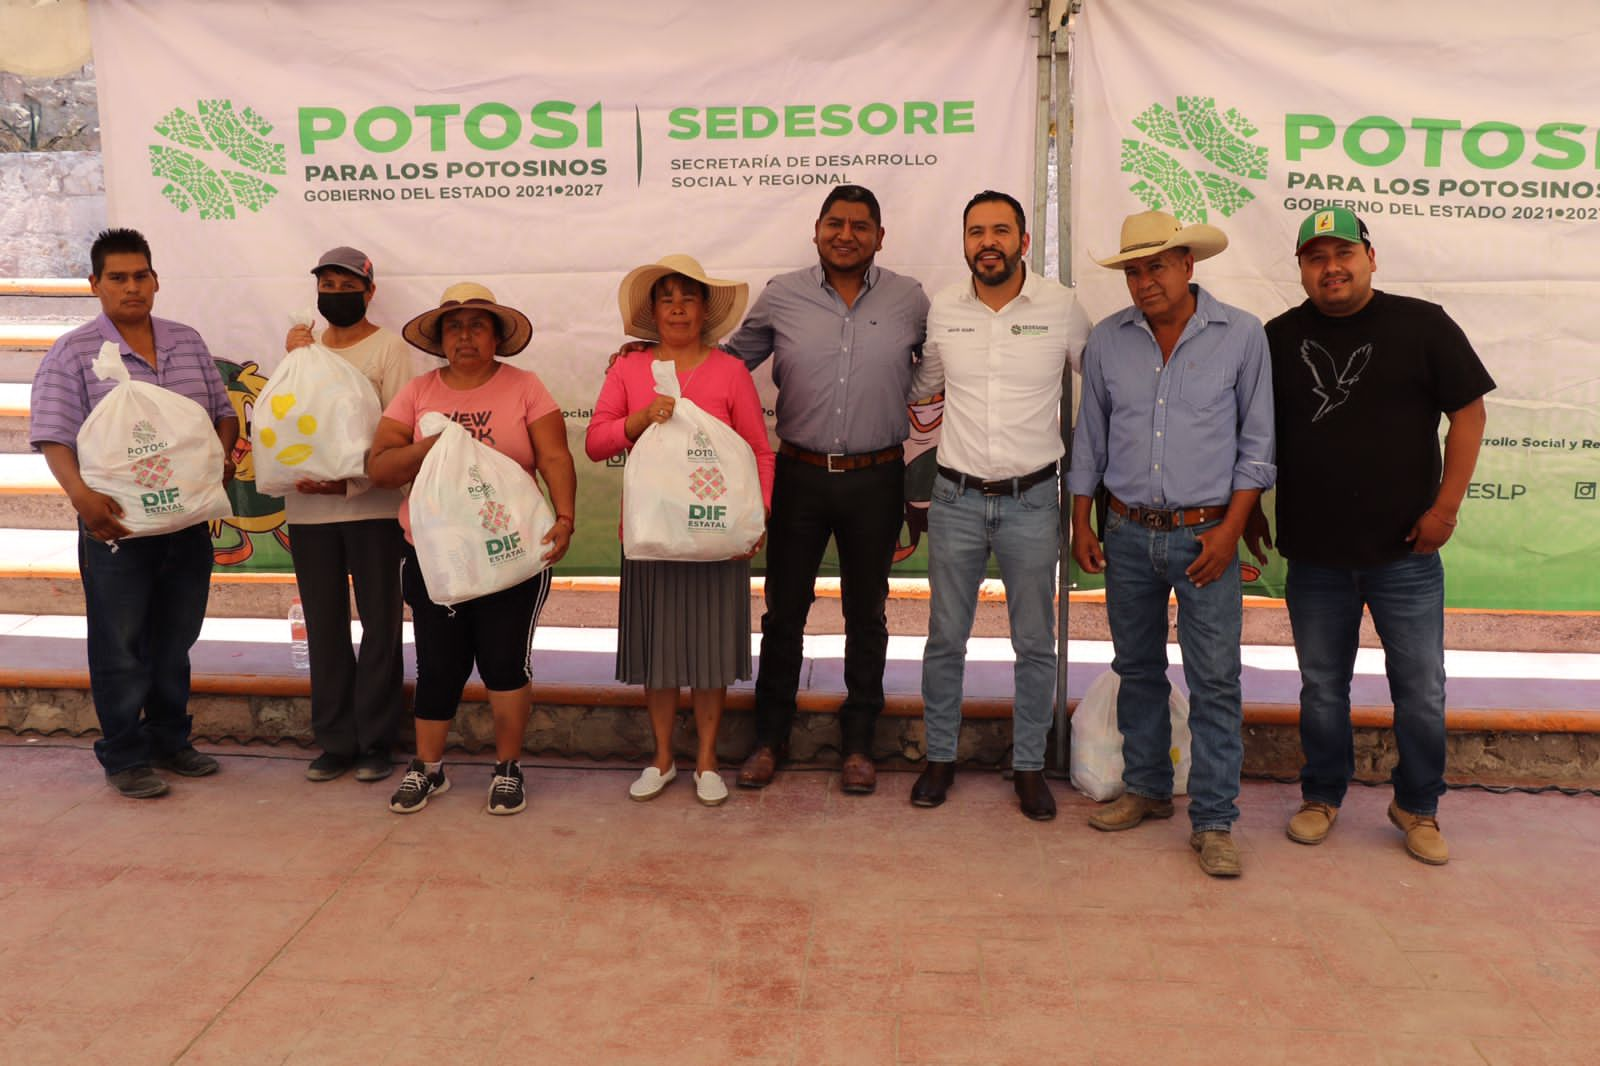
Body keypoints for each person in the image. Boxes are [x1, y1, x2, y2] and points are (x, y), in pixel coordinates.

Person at [1249, 209, 1493, 866]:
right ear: (1301, 269)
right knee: (1322, 687)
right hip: (1316, 557)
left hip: (1405, 553)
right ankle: (1321, 795)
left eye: (1343, 253)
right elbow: (1252, 434)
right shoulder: (1276, 338)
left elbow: (1469, 414)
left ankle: (1418, 806)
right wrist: (1246, 511)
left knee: (1421, 688)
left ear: (1371, 257)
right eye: (1315, 257)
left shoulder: (1423, 325)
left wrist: (1446, 509)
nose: (1331, 267)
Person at [1068, 209, 1275, 877]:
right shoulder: (1107, 341)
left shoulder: (1241, 337)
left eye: (1157, 264)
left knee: (1216, 681)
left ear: (1189, 265)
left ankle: (1214, 821)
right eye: (1133, 268)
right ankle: (1150, 790)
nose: (1144, 279)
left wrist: (1231, 531)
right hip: (1127, 534)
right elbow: (1091, 441)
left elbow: (1258, 446)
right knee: (1137, 669)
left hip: (1207, 537)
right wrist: (1081, 520)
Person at [726, 185, 930, 795]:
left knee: (867, 613)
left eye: (860, 226)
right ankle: (769, 739)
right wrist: (652, 361)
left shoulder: (909, 299)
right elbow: (727, 366)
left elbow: (947, 363)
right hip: (800, 476)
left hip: (877, 476)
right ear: (816, 230)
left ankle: (860, 745)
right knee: (785, 611)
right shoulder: (781, 295)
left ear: (879, 236)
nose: (847, 235)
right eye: (835, 224)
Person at [29, 227, 239, 798]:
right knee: (120, 643)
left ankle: (172, 740)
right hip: (114, 525)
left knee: (175, 638)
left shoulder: (185, 341)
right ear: (94, 285)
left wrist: (218, 456)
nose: (131, 288)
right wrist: (82, 498)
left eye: (140, 276)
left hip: (186, 523)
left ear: (155, 280)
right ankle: (124, 755)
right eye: (117, 278)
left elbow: (222, 412)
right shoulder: (73, 352)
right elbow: (53, 436)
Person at [906, 190, 1091, 821]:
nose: (989, 241)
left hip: (1034, 499)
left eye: (1001, 230)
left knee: (1036, 644)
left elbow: (1104, 384)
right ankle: (938, 757)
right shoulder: (943, 311)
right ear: (964, 242)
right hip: (954, 497)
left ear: (1024, 242)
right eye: (977, 231)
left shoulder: (1061, 307)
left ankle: (1031, 766)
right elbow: (923, 390)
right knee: (944, 639)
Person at [367, 283, 576, 815]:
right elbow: (381, 466)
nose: (464, 336)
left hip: (511, 555)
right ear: (439, 339)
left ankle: (508, 768)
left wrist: (566, 516)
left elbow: (554, 456)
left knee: (505, 662)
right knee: (438, 663)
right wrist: (432, 446)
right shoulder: (417, 393)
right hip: (436, 557)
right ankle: (428, 768)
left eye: (477, 325)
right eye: (453, 327)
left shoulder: (525, 386)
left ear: (496, 336)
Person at [586, 256, 774, 806]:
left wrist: (757, 513)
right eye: (666, 297)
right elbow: (598, 443)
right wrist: (638, 419)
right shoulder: (627, 371)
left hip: (716, 535)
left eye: (687, 297)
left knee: (712, 652)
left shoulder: (730, 372)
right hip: (651, 536)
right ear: (653, 312)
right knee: (661, 651)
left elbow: (760, 451)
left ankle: (708, 760)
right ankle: (663, 757)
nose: (676, 306)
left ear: (703, 312)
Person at [277, 247, 412, 784]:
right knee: (324, 628)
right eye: (326, 284)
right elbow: (287, 421)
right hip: (309, 512)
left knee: (380, 626)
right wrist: (290, 356)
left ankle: (377, 741)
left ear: (369, 290)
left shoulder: (388, 350)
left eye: (346, 284)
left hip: (373, 508)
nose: (334, 293)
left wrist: (351, 480)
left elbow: (400, 435)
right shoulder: (303, 347)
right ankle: (335, 740)